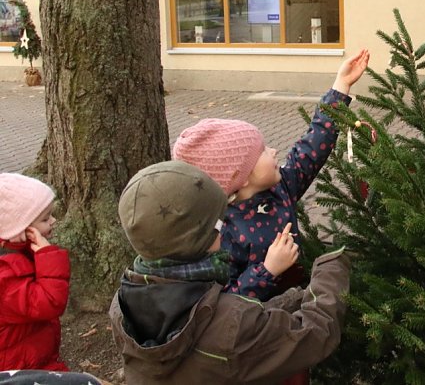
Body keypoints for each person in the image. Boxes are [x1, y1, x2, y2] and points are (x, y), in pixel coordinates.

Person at [109, 160, 350, 385]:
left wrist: (294, 297)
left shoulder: (122, 303)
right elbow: (315, 333)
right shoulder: (231, 327)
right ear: (200, 237)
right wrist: (332, 264)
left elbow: (235, 319)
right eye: (219, 223)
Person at [171, 48, 369, 299]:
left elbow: (311, 149)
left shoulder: (281, 188)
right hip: (260, 327)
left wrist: (341, 85)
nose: (274, 151)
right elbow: (224, 300)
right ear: (239, 177)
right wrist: (268, 270)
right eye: (263, 151)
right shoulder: (222, 233)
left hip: (297, 306)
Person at [0, 173, 70, 372]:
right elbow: (49, 302)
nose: (54, 221)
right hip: (20, 370)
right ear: (21, 229)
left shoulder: (15, 254)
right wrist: (49, 256)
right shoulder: (5, 278)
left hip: (30, 357)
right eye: (46, 218)